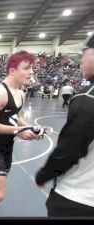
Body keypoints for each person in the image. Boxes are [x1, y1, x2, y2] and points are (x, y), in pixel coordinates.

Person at [0, 51, 42, 217]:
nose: (31, 72)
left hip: (7, 147)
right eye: (26, 68)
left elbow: (15, 118)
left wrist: (29, 128)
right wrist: (19, 132)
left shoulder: (20, 93)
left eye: (32, 68)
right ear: (12, 71)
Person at [35, 34, 94, 217]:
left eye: (84, 54)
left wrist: (44, 175)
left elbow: (70, 149)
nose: (81, 60)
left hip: (78, 197)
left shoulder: (88, 98)